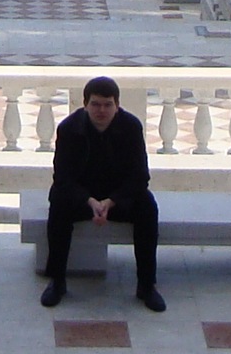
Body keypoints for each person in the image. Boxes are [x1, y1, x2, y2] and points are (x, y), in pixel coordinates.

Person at [40, 76, 162, 312]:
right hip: (82, 196)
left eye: (108, 104)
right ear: (85, 104)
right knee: (58, 205)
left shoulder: (131, 127)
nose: (102, 110)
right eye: (95, 104)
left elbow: (140, 177)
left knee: (147, 207)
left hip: (116, 197)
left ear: (117, 105)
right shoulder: (69, 128)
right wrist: (89, 201)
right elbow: (62, 178)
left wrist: (111, 201)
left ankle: (147, 285)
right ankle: (57, 281)